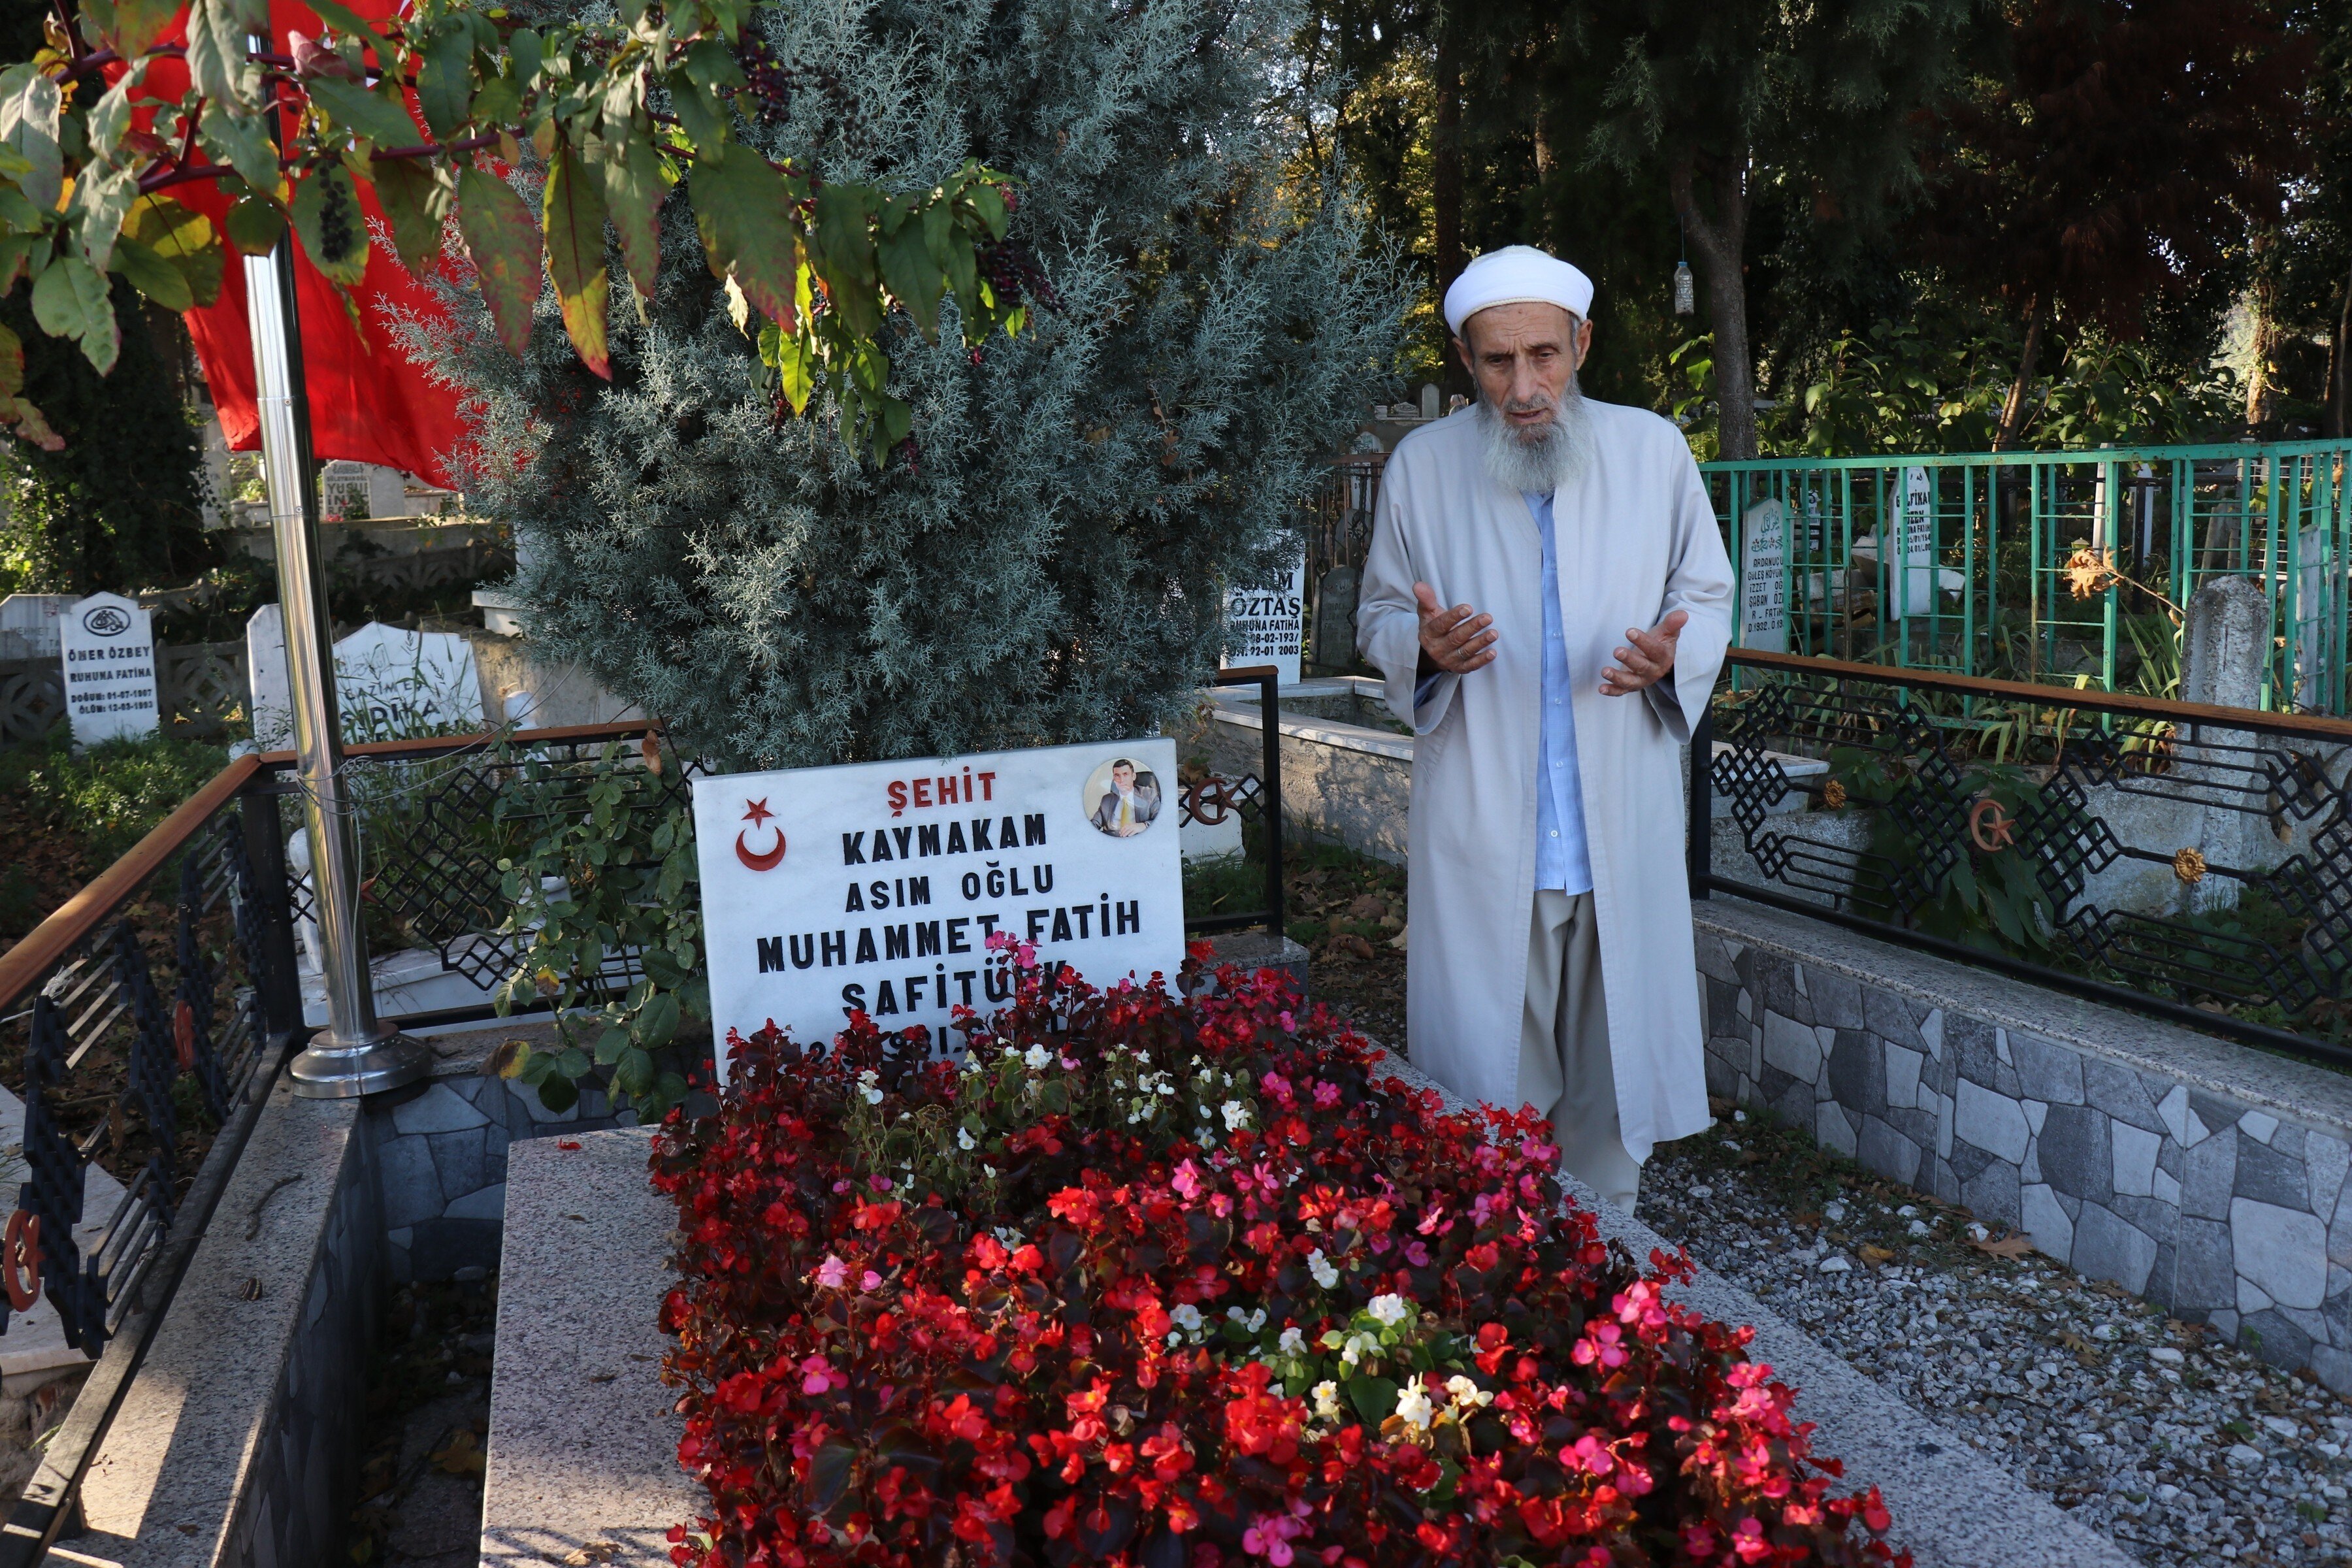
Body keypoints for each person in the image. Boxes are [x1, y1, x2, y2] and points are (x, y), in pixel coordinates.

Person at [1356, 245, 1733, 1212]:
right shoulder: (1422, 468)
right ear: (1464, 360)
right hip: (1488, 832)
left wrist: (1671, 659)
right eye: (1496, 362)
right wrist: (1428, 646)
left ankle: (1610, 1252)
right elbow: (1381, 618)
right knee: (1489, 1074)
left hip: (1621, 820)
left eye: (1545, 356)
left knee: (1613, 1079)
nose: (1524, 388)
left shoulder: (1653, 451)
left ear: (1584, 342)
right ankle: (1503, 1257)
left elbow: (1705, 590)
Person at [1090, 759, 1160, 836]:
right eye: (1117, 776)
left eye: (1125, 774)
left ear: (1133, 776)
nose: (1121, 780)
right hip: (1113, 841)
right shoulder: (1107, 799)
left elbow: (1162, 821)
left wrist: (1144, 825)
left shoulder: (1149, 794)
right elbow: (1093, 824)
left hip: (1140, 839)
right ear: (1114, 779)